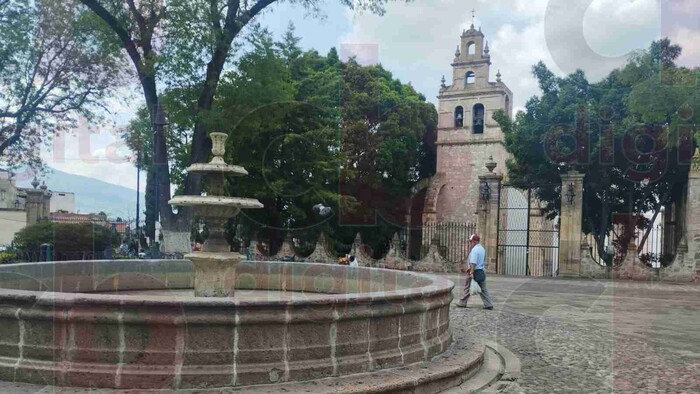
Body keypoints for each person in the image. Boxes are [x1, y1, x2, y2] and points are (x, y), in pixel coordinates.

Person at [456, 234, 493, 310]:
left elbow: (473, 263)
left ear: (474, 242)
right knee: (483, 289)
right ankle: (488, 304)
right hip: (481, 271)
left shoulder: (475, 250)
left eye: (471, 242)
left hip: (474, 271)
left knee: (468, 287)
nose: (470, 243)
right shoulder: (482, 249)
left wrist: (471, 273)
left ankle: (462, 302)